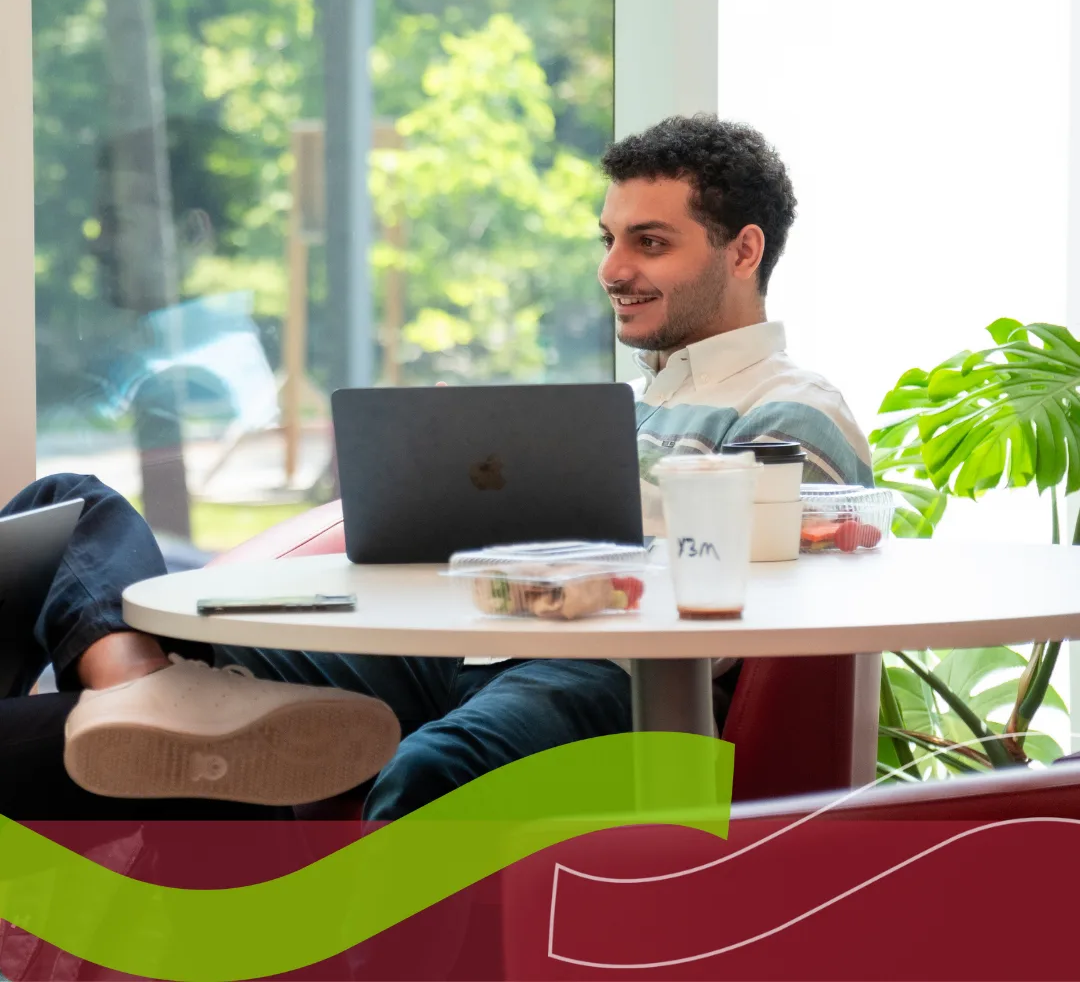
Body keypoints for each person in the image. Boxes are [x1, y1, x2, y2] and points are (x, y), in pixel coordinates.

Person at [0, 114, 872, 822]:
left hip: (605, 674)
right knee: (71, 507)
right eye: (608, 238)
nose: (612, 269)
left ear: (744, 251)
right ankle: (143, 692)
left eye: (649, 242)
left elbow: (766, 598)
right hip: (452, 646)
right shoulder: (622, 404)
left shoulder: (789, 408)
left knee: (434, 768)